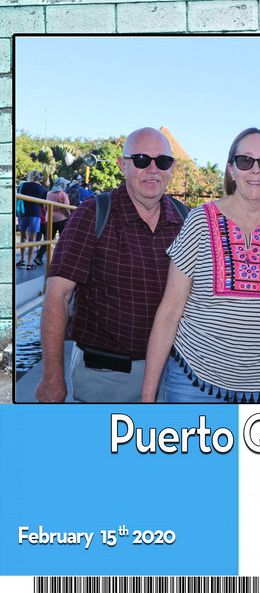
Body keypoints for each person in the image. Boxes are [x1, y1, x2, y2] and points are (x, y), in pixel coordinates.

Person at [141, 127, 260, 403]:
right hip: (193, 385)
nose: (255, 170)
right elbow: (170, 312)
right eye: (245, 161)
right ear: (231, 170)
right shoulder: (199, 222)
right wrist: (147, 398)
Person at [35, 127, 184, 403]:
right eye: (141, 160)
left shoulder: (185, 220)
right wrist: (52, 377)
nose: (153, 169)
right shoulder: (94, 215)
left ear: (170, 167)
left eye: (162, 161)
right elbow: (57, 295)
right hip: (107, 376)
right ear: (122, 164)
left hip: (173, 376)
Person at [34, 177, 71, 265]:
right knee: (62, 240)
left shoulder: (49, 193)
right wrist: (69, 216)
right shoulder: (63, 194)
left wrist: (48, 214)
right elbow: (66, 208)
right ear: (62, 185)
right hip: (61, 219)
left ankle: (38, 257)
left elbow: (45, 206)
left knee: (48, 239)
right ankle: (59, 259)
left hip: (49, 219)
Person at [16, 170, 47, 270]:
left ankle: (21, 259)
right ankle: (29, 263)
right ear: (40, 178)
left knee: (23, 236)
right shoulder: (43, 189)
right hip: (35, 213)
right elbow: (43, 204)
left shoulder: (23, 185)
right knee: (32, 238)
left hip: (23, 212)